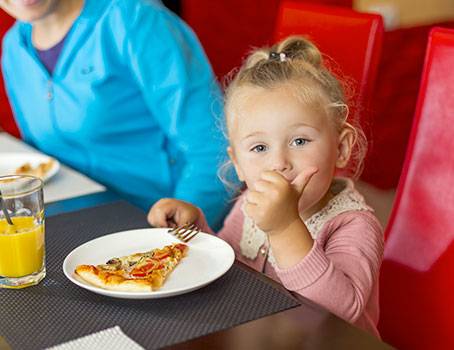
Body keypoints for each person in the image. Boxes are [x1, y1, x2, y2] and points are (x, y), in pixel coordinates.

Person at [148, 36, 384, 337]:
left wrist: (285, 228)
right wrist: (197, 230)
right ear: (238, 164)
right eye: (259, 148)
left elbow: (340, 314)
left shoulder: (353, 224)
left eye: (299, 141)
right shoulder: (250, 203)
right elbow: (231, 266)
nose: (279, 163)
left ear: (340, 147)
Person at [0, 0, 230, 228]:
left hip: (152, 222)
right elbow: (38, 161)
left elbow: (213, 148)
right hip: (69, 221)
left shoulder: (136, 19)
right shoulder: (14, 48)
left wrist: (178, 229)